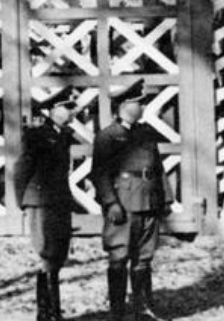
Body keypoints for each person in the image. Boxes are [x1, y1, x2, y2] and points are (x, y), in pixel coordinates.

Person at [91, 91, 173, 321]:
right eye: (139, 102)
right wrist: (111, 203)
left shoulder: (145, 133)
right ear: (125, 105)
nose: (143, 106)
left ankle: (143, 309)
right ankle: (117, 312)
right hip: (123, 204)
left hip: (149, 201)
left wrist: (166, 198)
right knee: (119, 255)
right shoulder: (108, 136)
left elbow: (158, 168)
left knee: (144, 256)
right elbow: (99, 174)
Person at [14, 102, 75, 321]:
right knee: (47, 253)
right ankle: (49, 313)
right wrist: (23, 200)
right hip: (41, 200)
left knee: (58, 254)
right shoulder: (36, 135)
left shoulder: (65, 135)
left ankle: (49, 311)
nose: (72, 112)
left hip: (59, 200)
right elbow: (21, 168)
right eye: (67, 108)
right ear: (52, 112)